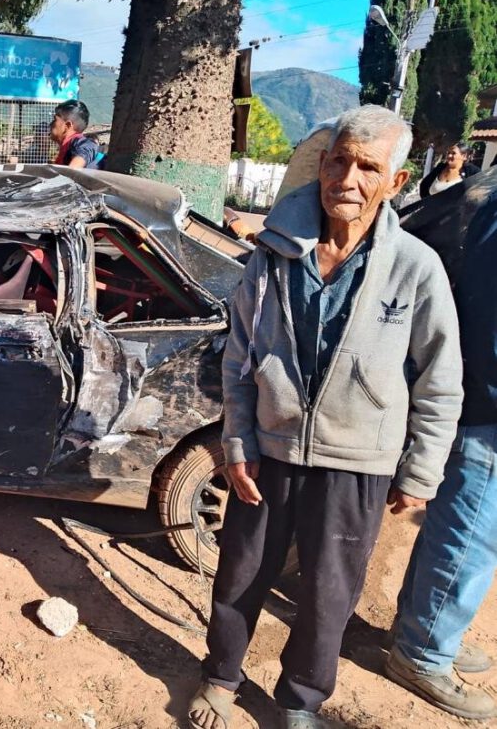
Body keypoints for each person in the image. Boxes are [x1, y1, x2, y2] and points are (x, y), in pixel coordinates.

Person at [187, 105, 463, 729]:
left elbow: (441, 381)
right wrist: (236, 441)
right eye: (338, 161)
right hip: (270, 446)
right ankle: (221, 677)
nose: (348, 178)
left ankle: (300, 700)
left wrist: (419, 469)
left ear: (394, 183)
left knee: (328, 592)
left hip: (357, 459)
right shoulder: (276, 254)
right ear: (321, 166)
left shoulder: (417, 269)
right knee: (240, 573)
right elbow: (239, 356)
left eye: (368, 166)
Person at [385, 200, 497, 719]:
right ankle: (423, 654)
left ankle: (419, 628)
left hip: (474, 393)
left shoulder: (488, 201)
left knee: (458, 527)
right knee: (471, 534)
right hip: (487, 402)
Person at [50, 99, 101, 169]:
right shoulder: (66, 147)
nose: (50, 124)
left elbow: (88, 149)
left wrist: (74, 166)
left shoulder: (82, 143)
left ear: (67, 125)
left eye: (55, 120)